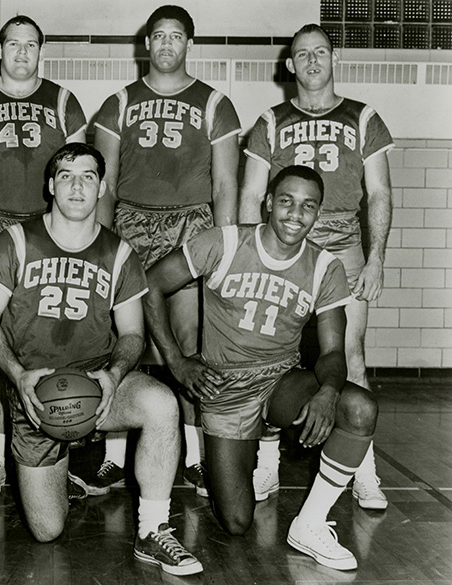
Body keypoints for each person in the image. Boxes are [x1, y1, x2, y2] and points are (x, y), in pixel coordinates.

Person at [0, 143, 202, 576]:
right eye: (66, 175)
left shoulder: (119, 254)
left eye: (88, 176)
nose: (77, 185)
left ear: (101, 187)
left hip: (95, 384)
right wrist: (17, 376)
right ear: (50, 185)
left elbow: (133, 333)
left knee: (161, 405)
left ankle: (153, 530)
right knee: (47, 531)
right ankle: (59, 469)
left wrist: (115, 374)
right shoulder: (16, 242)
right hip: (35, 394)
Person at [144, 165, 379, 571]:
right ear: (269, 203)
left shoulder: (325, 267)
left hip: (280, 380)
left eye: (308, 206)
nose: (295, 214)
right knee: (236, 522)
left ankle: (310, 523)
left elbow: (332, 353)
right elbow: (150, 284)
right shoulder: (227, 242)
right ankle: (253, 447)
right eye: (286, 201)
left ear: (318, 213)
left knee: (359, 408)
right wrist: (177, 362)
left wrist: (328, 391)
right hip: (225, 387)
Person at [86, 4, 241, 497]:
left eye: (176, 36)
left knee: (192, 339)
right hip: (132, 218)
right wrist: (100, 244)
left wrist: (227, 243)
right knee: (120, 336)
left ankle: (195, 458)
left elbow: (224, 181)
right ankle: (113, 458)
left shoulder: (215, 102)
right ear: (145, 44)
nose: (167, 44)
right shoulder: (118, 103)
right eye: (159, 36)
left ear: (188, 44)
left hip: (191, 221)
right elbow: (104, 183)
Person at [239, 23, 393, 510]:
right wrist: (251, 256)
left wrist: (376, 258)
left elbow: (381, 192)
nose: (311, 61)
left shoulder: (362, 116)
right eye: (301, 54)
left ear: (334, 58)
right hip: (283, 244)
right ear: (289, 65)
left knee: (353, 356)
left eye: (320, 52)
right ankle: (267, 467)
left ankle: (362, 470)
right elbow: (249, 194)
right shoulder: (270, 119)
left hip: (343, 241)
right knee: (269, 355)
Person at [0, 15, 87, 496]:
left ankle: (55, 455)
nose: (23, 53)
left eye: (32, 45)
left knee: (55, 339)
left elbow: (80, 178)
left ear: (40, 52)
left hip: (46, 229)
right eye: (14, 44)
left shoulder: (64, 101)